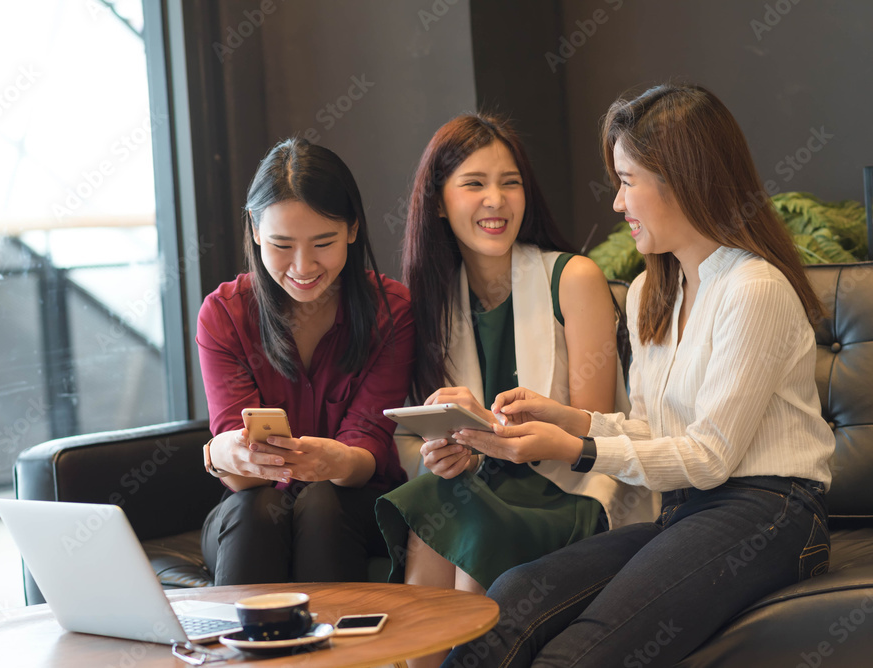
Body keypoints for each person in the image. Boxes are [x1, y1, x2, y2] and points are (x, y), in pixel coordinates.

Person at [441, 84, 836, 667]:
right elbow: (654, 430)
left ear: (683, 179)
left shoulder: (754, 289)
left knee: (582, 651)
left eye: (627, 181)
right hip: (685, 510)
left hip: (771, 513)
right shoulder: (655, 288)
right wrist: (566, 417)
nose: (618, 204)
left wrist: (576, 448)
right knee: (513, 598)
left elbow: (710, 458)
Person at [375, 114, 658, 666]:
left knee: (467, 522)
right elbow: (417, 439)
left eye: (510, 182)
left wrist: (485, 425)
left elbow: (592, 423)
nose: (496, 200)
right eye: (474, 183)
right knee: (436, 494)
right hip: (485, 484)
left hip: (571, 490)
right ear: (438, 202)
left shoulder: (572, 278)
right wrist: (447, 447)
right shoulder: (433, 301)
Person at [197, 137, 414, 585]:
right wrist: (223, 453)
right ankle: (245, 653)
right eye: (281, 245)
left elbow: (368, 447)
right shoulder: (225, 315)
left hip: (352, 502)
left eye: (323, 243)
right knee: (257, 509)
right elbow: (240, 476)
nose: (302, 266)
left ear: (353, 229)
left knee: (321, 502)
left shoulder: (391, 311)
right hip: (250, 507)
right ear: (255, 230)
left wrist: (335, 462)